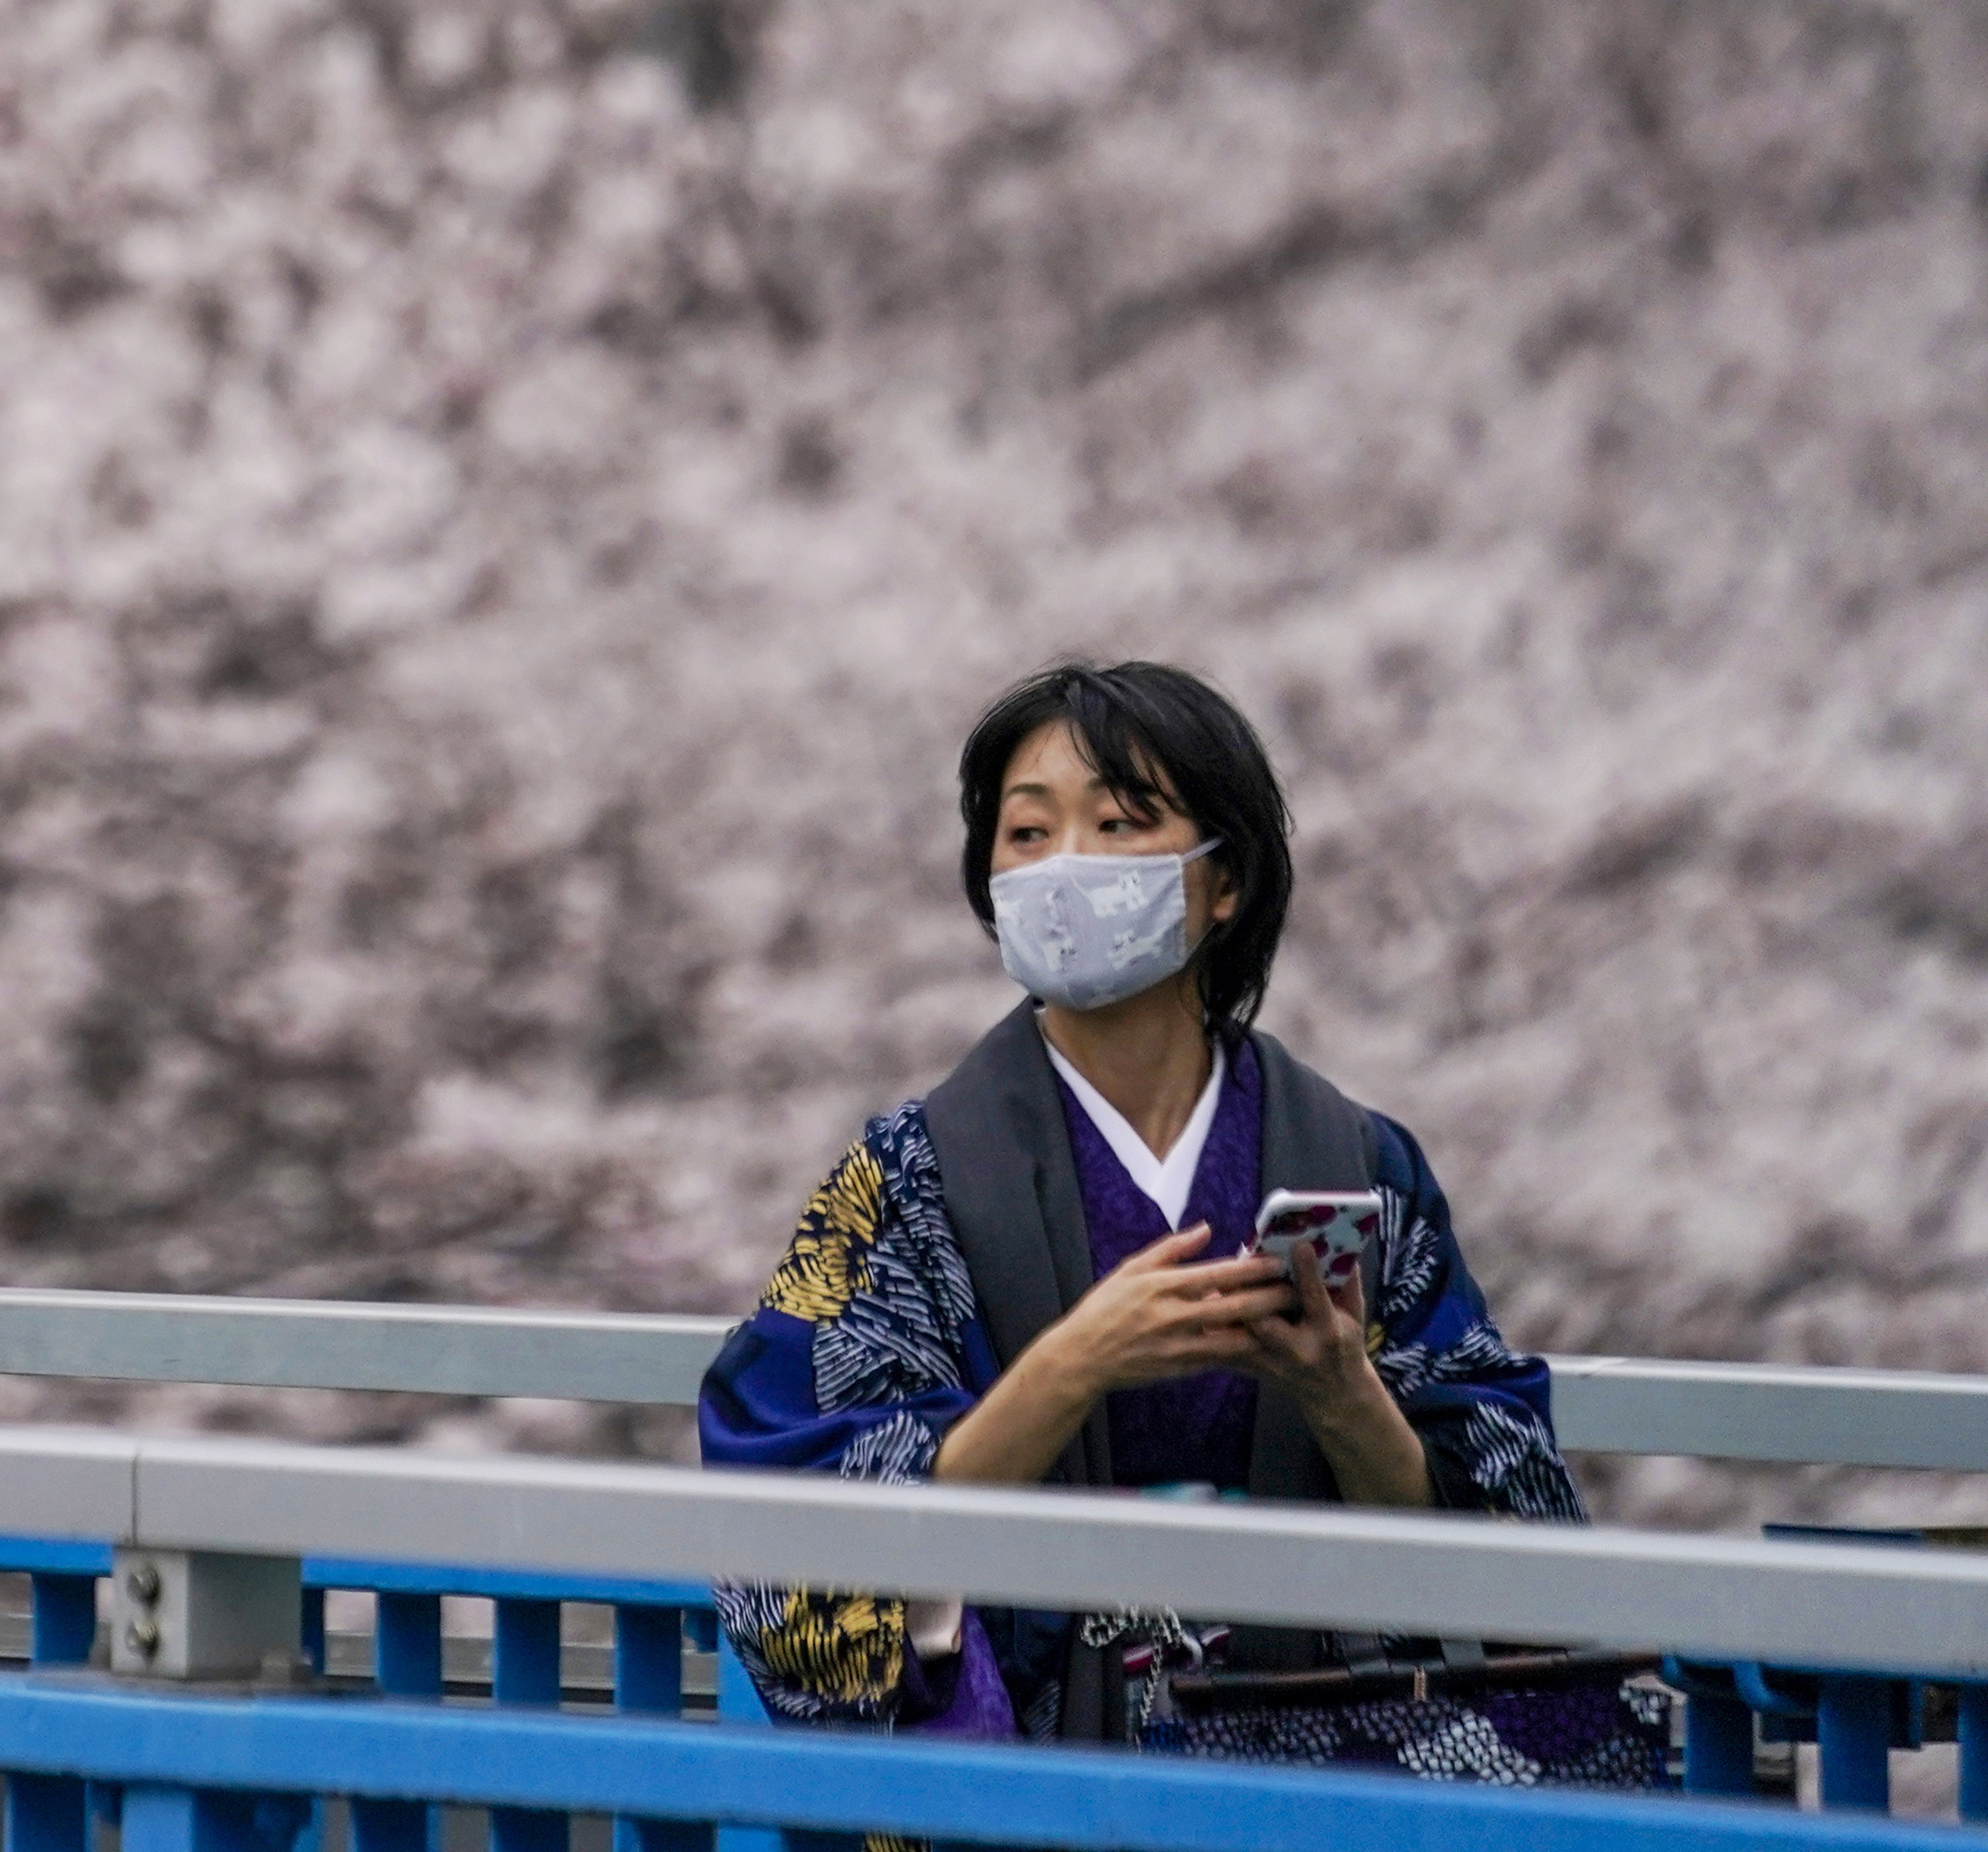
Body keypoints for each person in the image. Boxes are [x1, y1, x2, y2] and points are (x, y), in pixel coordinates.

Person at [700, 660, 1662, 1784]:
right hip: (1044, 1774)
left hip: (1333, 1752)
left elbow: (1512, 1521)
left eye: (1119, 824)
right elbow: (789, 1527)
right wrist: (1072, 1367)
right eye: (1027, 833)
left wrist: (1340, 1391)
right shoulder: (905, 1182)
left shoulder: (1359, 1163)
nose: (1065, 867)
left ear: (1225, 882)